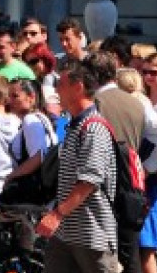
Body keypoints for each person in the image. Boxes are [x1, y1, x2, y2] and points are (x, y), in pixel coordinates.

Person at [34, 58, 119, 273]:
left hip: (92, 234)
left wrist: (57, 215)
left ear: (78, 87)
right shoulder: (75, 125)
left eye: (61, 84)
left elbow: (89, 181)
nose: (56, 91)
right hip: (66, 234)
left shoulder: (93, 128)